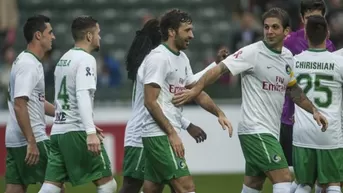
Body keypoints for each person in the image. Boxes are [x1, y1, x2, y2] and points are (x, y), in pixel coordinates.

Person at [172, 8, 328, 193]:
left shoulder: (287, 58)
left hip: (270, 131)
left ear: (286, 31)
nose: (269, 31)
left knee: (253, 184)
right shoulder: (252, 52)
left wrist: (314, 111)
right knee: (283, 177)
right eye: (266, 27)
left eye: (275, 27)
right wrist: (196, 89)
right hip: (255, 130)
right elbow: (220, 69)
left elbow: (293, 91)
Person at [120, 18, 228, 193]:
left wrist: (215, 65)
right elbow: (153, 103)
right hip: (142, 133)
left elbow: (188, 84)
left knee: (153, 187)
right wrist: (187, 125)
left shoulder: (168, 60)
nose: (191, 35)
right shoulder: (155, 62)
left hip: (154, 128)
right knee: (135, 186)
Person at [38, 16, 117, 193]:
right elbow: (82, 94)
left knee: (51, 186)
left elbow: (66, 100)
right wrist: (89, 131)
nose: (100, 38)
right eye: (98, 33)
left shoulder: (64, 59)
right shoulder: (86, 60)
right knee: (107, 184)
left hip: (58, 131)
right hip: (76, 131)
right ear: (89, 36)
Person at [292, 15, 343, 193]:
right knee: (333, 184)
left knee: (303, 184)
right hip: (329, 131)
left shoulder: (294, 61)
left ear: (306, 34)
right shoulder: (339, 62)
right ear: (327, 34)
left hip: (302, 132)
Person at [4, 15, 56, 193]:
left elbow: (37, 102)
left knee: (15, 188)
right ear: (38, 35)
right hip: (33, 136)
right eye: (50, 32)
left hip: (14, 138)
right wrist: (31, 141)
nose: (53, 37)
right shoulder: (29, 64)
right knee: (56, 186)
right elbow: (20, 104)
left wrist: (61, 112)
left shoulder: (25, 61)